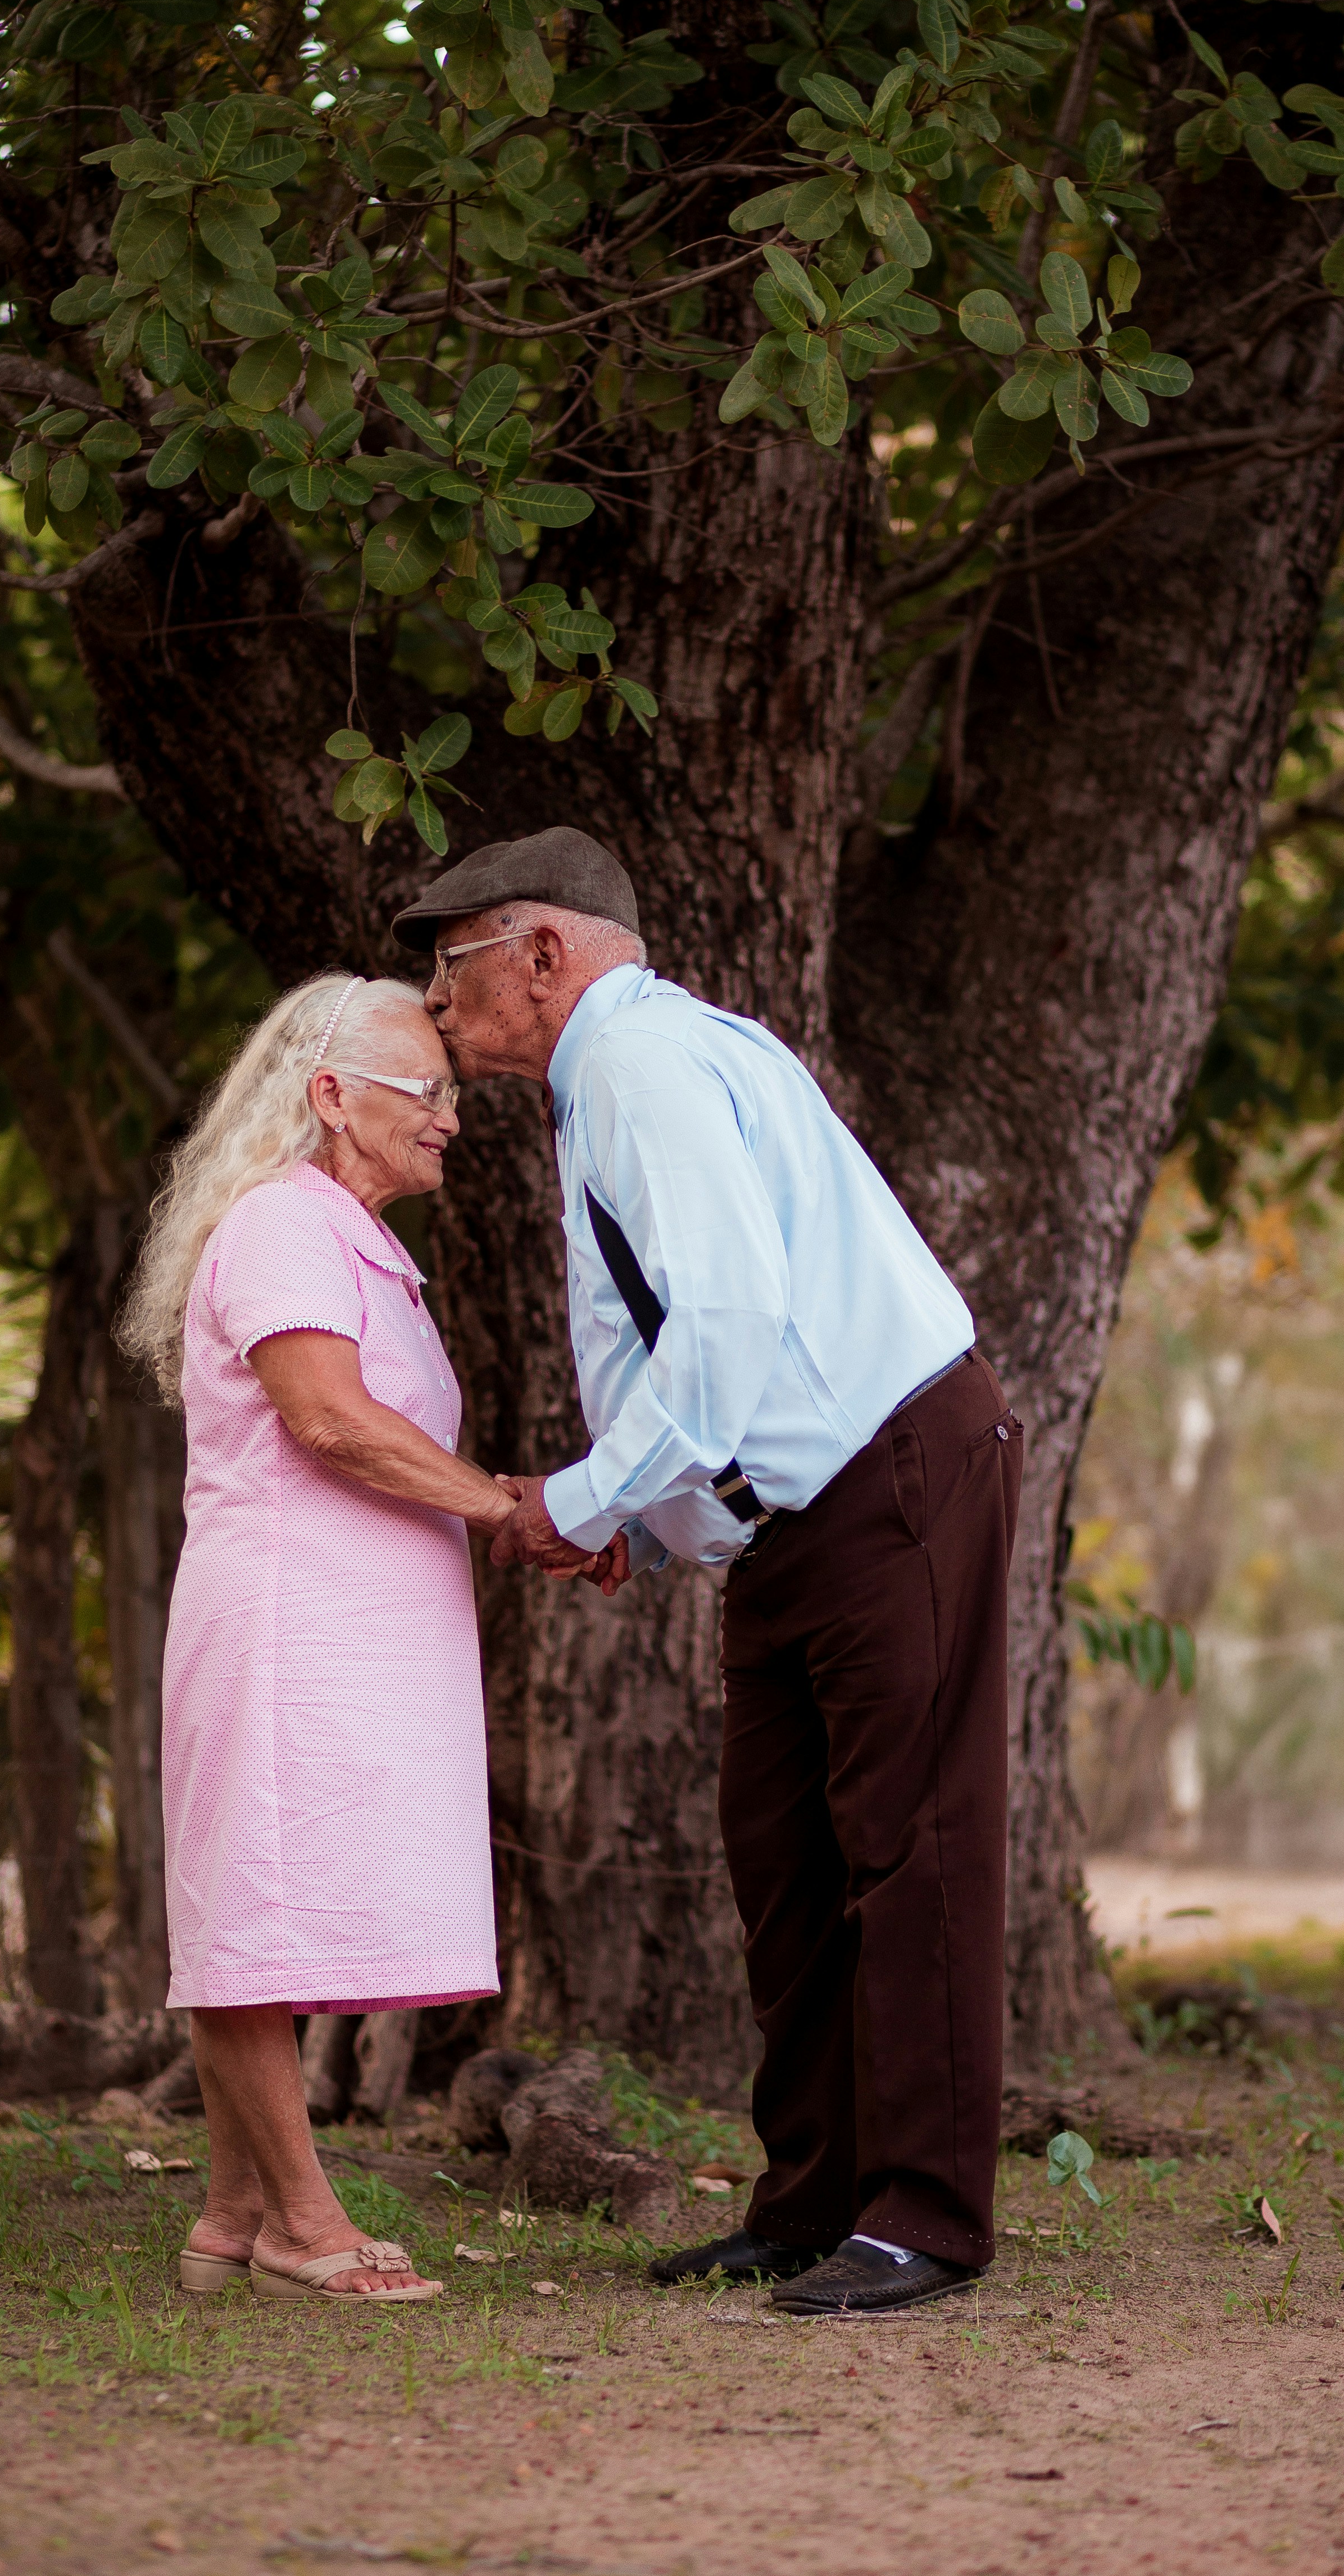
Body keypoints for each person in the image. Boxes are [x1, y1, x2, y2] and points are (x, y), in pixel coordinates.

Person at [392, 830, 1024, 2319]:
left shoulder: (638, 1067)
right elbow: (692, 1338)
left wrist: (579, 1497)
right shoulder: (621, 1073)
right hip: (796, 1521)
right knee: (783, 1862)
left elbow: (727, 1324)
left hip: (890, 1474)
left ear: (543, 953)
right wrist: (646, 1510)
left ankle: (924, 2218)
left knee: (905, 1846)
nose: (432, 996)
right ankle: (811, 2202)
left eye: (452, 957)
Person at [117, 971, 516, 2303]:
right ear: (331, 1095)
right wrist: (506, 1510)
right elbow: (330, 1419)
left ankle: (233, 2214)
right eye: (429, 1090)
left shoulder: (353, 1240)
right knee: (257, 1918)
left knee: (279, 1906)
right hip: (285, 1631)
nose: (451, 1117)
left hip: (350, 1637)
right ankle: (301, 2217)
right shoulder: (283, 1225)